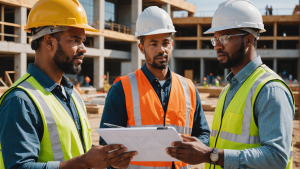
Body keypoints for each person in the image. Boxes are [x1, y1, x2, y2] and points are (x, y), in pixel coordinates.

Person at [0, 0, 137, 168]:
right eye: (75, 40)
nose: (83, 48)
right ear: (49, 42)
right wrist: (84, 162)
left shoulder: (73, 95)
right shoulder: (20, 100)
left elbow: (75, 151)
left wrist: (106, 158)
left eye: (83, 41)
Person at [166, 0, 294, 169]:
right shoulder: (228, 90)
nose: (217, 46)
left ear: (249, 40)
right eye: (215, 39)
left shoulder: (269, 90)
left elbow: (277, 158)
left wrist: (209, 155)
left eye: (225, 38)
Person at [99, 6, 210, 169]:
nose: (161, 49)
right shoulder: (121, 89)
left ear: (172, 45)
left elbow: (203, 133)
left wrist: (194, 148)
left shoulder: (189, 88)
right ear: (141, 47)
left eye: (165, 43)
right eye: (153, 43)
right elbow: (107, 143)